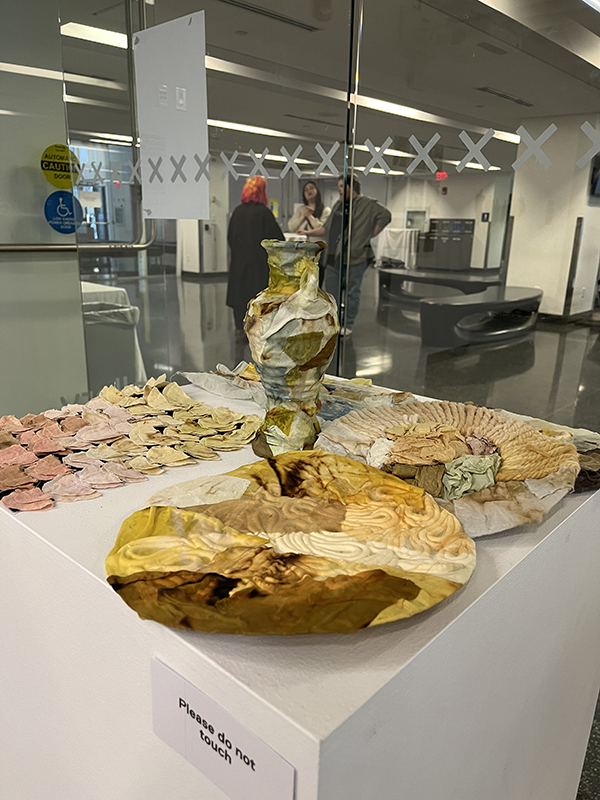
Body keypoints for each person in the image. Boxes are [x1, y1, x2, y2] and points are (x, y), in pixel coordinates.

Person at [301, 175, 391, 335]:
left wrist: (369, 234)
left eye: (343, 186)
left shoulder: (367, 204)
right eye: (339, 186)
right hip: (333, 256)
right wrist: (308, 232)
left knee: (352, 292)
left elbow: (385, 215)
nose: (340, 190)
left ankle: (348, 323)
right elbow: (326, 228)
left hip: (355, 257)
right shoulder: (338, 205)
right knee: (331, 292)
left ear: (353, 187)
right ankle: (333, 322)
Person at [226, 176, 284, 334]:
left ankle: (239, 330)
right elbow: (277, 240)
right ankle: (258, 331)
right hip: (259, 266)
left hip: (239, 265)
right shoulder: (264, 213)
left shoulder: (237, 212)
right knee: (258, 299)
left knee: (240, 300)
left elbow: (230, 238)